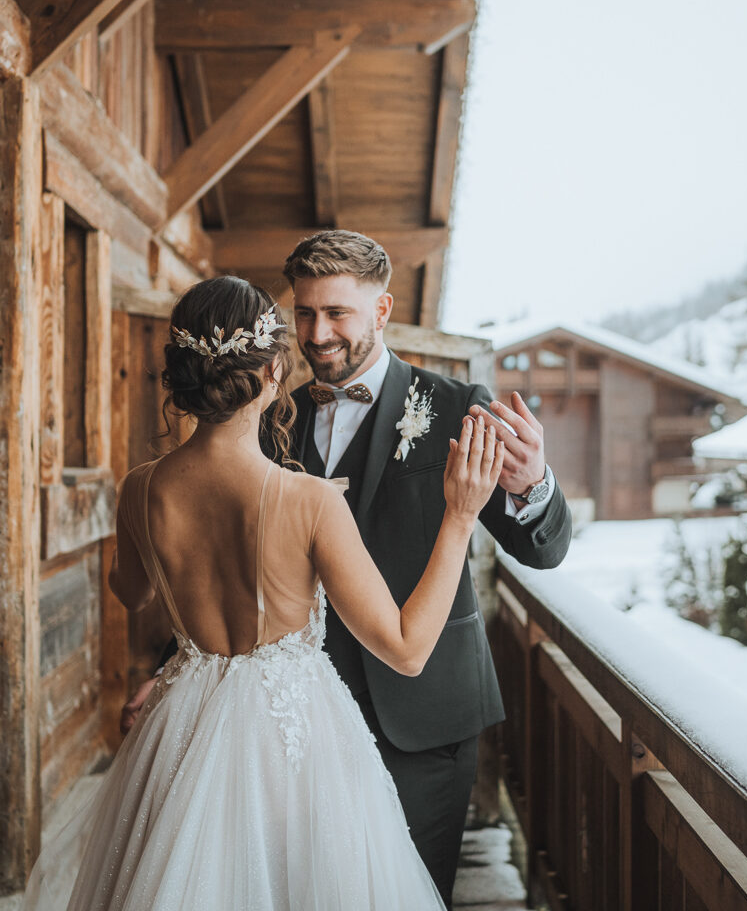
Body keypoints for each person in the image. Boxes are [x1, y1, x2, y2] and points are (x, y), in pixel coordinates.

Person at [121, 230, 574, 906]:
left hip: (421, 721)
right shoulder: (273, 412)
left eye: (337, 313)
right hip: (284, 731)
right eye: (303, 313)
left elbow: (542, 550)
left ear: (382, 310)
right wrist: (179, 667)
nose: (317, 332)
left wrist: (534, 485)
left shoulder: (455, 407)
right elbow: (223, 562)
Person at [24, 276, 503, 910]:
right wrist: (461, 518)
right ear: (275, 372)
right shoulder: (308, 501)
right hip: (295, 740)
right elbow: (409, 650)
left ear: (183, 375)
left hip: (183, 723)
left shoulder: (139, 490)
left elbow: (131, 592)